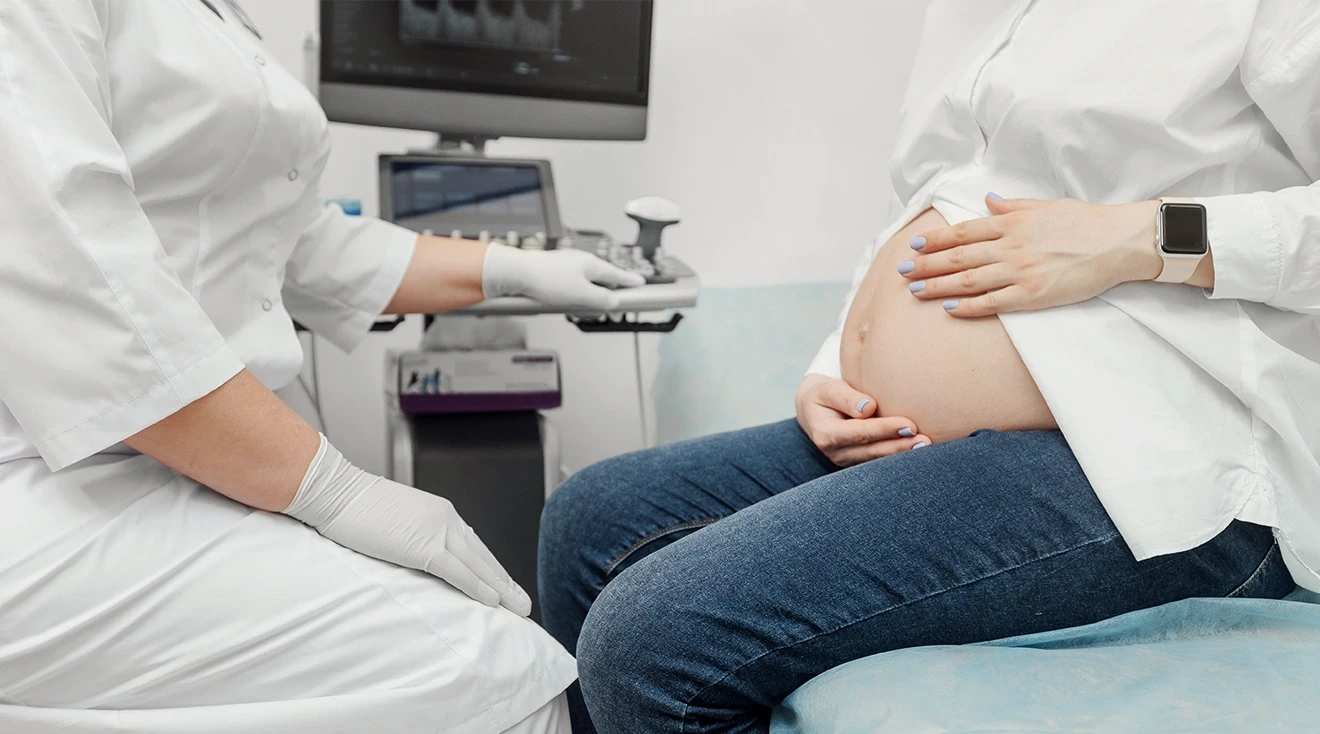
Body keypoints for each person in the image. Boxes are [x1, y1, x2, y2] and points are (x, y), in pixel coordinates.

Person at [538, 1, 1320, 732]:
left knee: (653, 642)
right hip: (920, 430)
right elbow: (932, 195)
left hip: (1155, 450)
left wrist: (1143, 236)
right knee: (588, 520)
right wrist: (835, 368)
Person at [0, 2, 645, 733]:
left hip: (193, 460)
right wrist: (333, 490)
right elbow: (77, 275)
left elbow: (293, 238)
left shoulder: (215, 15)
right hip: (52, 472)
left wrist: (514, 269)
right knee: (498, 678)